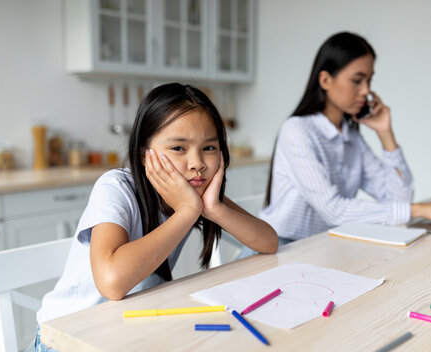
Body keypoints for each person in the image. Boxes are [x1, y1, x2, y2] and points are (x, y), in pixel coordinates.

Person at [34, 83, 278, 351]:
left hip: (131, 330)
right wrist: (187, 212)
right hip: (67, 338)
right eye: (178, 148)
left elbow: (269, 242)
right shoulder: (116, 187)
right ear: (143, 155)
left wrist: (214, 209)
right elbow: (112, 283)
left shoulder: (199, 194)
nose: (197, 162)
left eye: (209, 147)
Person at [259, 31, 431, 245]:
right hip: (280, 247)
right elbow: (333, 211)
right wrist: (422, 209)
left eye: (369, 81)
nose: (366, 91)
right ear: (325, 80)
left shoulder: (351, 136)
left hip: (323, 246)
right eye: (357, 80)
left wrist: (386, 134)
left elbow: (398, 200)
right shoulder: (297, 130)